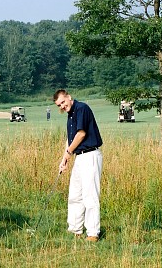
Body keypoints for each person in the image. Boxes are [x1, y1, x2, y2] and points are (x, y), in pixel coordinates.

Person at [53, 89, 103, 242]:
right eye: (59, 105)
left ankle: (93, 233)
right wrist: (64, 159)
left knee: (90, 196)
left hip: (90, 155)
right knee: (75, 194)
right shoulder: (70, 115)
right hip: (79, 157)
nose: (62, 106)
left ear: (68, 97)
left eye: (63, 102)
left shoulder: (81, 108)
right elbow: (71, 139)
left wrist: (69, 152)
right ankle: (75, 229)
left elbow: (81, 134)